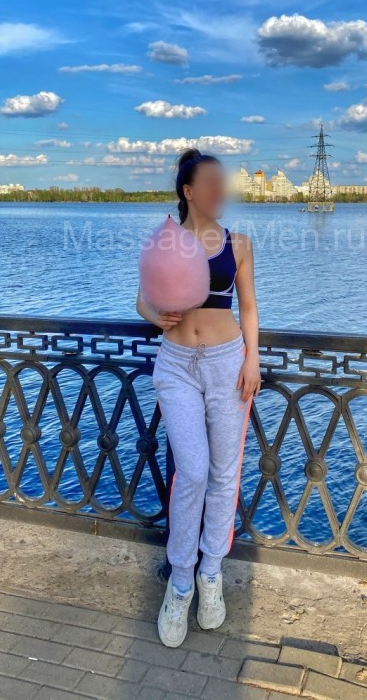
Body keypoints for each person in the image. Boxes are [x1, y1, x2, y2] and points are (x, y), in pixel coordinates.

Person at [136, 148, 261, 648]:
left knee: (223, 473)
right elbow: (142, 298)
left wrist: (252, 359)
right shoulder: (164, 240)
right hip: (176, 365)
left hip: (227, 363)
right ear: (189, 191)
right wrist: (154, 316)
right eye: (209, 183)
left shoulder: (239, 244)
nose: (219, 191)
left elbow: (248, 307)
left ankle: (211, 573)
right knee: (192, 471)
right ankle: (181, 581)